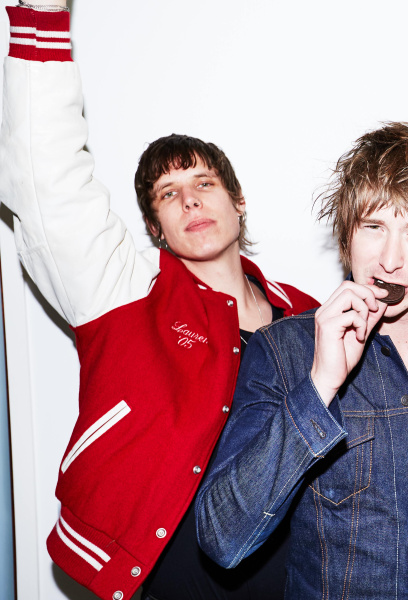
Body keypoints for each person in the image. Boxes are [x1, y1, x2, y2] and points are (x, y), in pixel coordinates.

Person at [0, 3, 318, 600]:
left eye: (204, 184)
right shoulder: (126, 289)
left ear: (238, 201)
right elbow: (49, 182)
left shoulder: (306, 314)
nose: (191, 201)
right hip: (174, 580)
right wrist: (40, 16)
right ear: (155, 228)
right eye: (169, 195)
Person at [196, 122, 408, 599]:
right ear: (347, 233)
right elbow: (222, 539)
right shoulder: (285, 351)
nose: (389, 259)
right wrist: (319, 386)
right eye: (373, 227)